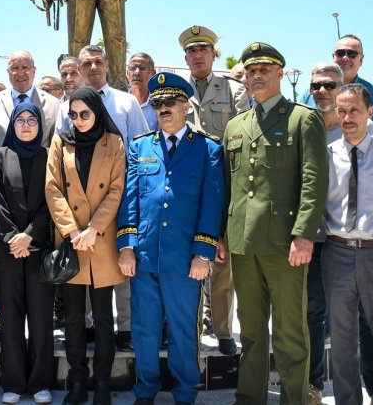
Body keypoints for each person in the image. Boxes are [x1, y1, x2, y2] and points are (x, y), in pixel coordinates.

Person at [223, 42, 328, 405]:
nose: (256, 75)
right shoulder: (236, 125)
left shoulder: (303, 118)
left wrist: (304, 235)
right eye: (251, 70)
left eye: (264, 69)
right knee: (250, 332)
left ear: (280, 73)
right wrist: (222, 236)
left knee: (289, 333)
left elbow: (314, 181)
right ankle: (249, 399)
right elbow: (229, 187)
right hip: (243, 243)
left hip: (286, 245)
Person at [117, 72, 224, 405]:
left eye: (170, 103)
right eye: (158, 103)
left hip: (184, 260)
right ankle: (145, 391)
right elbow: (130, 200)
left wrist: (203, 253)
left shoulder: (208, 149)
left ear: (186, 107)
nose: (163, 109)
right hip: (145, 256)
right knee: (145, 332)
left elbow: (212, 203)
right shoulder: (140, 146)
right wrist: (127, 248)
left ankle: (184, 392)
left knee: (182, 332)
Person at [322, 84, 373, 404]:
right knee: (342, 343)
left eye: (354, 110)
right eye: (340, 111)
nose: (347, 117)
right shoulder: (327, 156)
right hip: (337, 254)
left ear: (370, 112)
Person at [46, 87, 126, 405]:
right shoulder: (59, 142)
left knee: (105, 319)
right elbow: (52, 188)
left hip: (101, 242)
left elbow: (117, 189)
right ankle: (77, 381)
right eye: (73, 114)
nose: (78, 120)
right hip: (72, 243)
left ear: (96, 111)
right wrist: (72, 231)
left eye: (85, 114)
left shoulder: (114, 143)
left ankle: (102, 382)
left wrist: (93, 229)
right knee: (74, 319)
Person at [305, 62, 373, 403]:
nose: (322, 91)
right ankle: (314, 385)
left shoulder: (363, 127)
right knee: (313, 313)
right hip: (314, 238)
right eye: (316, 85)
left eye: (329, 85)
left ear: (342, 86)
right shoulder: (304, 126)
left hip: (353, 241)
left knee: (360, 316)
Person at [179, 25, 247, 355]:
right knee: (189, 260)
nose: (197, 55)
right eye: (191, 51)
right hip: (187, 189)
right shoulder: (177, 92)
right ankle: (189, 330)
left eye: (202, 50)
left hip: (224, 185)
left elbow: (243, 137)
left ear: (213, 54)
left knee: (222, 261)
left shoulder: (233, 91)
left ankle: (222, 331)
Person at [0, 102, 55, 405]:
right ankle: (13, 383)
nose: (26, 125)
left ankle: (40, 382)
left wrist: (30, 235)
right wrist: (14, 236)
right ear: (12, 124)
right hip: (7, 252)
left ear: (40, 125)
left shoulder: (49, 156)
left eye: (32, 120)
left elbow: (52, 202)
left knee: (41, 321)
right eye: (20, 120)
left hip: (39, 251)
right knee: (11, 321)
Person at [300, 34, 373, 151]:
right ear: (333, 57)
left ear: (361, 60)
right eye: (340, 53)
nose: (345, 58)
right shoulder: (310, 95)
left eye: (352, 54)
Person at [0, 51, 60, 168]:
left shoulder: (53, 104)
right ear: (8, 72)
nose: (20, 73)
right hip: (2, 174)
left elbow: (56, 147)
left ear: (34, 70)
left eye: (25, 67)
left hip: (39, 175)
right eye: (15, 68)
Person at [56, 45, 149, 145]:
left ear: (107, 66)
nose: (93, 67)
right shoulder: (66, 108)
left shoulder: (128, 102)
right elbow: (59, 147)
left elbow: (142, 145)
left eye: (98, 62)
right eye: (87, 63)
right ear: (79, 69)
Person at [126, 52, 157, 131]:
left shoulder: (159, 105)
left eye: (143, 68)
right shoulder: (117, 103)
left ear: (153, 74)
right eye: (132, 68)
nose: (136, 72)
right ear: (127, 73)